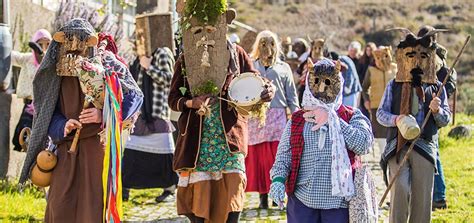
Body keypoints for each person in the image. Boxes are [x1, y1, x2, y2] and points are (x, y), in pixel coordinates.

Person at [19, 19, 143, 222]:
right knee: (60, 206)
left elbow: (135, 96)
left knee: (92, 209)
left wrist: (103, 115)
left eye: (80, 41)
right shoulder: (55, 69)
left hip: (96, 148)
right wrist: (62, 125)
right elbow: (47, 112)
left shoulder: (106, 61)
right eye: (69, 41)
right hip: (66, 150)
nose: (74, 46)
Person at [170, 2, 275, 222]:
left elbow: (257, 81)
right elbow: (173, 100)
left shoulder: (236, 54)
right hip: (198, 142)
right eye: (200, 28)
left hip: (230, 139)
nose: (207, 33)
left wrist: (268, 89)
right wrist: (192, 103)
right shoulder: (186, 58)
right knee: (200, 201)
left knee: (233, 193)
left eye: (212, 28)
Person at [269, 58, 373, 223]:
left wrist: (333, 120)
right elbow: (284, 156)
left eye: (327, 82)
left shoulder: (351, 115)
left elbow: (364, 144)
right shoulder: (298, 118)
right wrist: (278, 180)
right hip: (302, 202)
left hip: (339, 203)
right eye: (317, 81)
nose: (322, 87)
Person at [377, 28, 451, 223]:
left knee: (422, 199)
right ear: (404, 57)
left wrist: (437, 111)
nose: (417, 60)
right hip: (398, 147)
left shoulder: (437, 87)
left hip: (425, 146)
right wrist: (397, 120)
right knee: (399, 190)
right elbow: (380, 114)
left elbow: (446, 120)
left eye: (423, 56)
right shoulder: (394, 85)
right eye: (411, 55)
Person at [246, 30, 299, 209]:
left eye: (269, 43)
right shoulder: (251, 65)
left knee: (277, 156)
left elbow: (291, 95)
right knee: (259, 158)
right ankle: (262, 195)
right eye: (262, 43)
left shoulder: (283, 68)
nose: (266, 47)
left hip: (277, 116)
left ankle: (277, 194)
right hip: (256, 117)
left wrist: (297, 115)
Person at [123, 47, 178, 202]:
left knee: (165, 155)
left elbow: (170, 79)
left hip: (157, 112)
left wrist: (149, 67)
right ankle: (125, 188)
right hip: (140, 114)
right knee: (130, 152)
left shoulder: (163, 52)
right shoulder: (139, 55)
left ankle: (170, 189)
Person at [417, 25, 456, 210]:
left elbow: (445, 83)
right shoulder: (419, 53)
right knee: (431, 152)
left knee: (434, 153)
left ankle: (439, 196)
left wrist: (439, 100)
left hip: (435, 107)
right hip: (424, 105)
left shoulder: (436, 57)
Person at [10, 29, 52, 151]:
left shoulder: (50, 62)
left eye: (47, 44)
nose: (44, 47)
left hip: (45, 104)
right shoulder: (28, 59)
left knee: (41, 136)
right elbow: (13, 56)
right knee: (23, 132)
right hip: (30, 102)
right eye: (40, 44)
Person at [362, 46, 396, 151]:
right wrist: (366, 100)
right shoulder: (371, 70)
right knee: (380, 133)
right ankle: (383, 155)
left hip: (393, 105)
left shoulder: (395, 68)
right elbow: (364, 87)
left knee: (392, 131)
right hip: (376, 105)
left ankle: (392, 155)